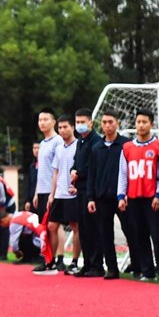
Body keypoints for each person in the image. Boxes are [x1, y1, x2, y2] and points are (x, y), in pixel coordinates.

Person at [118, 110, 159, 281]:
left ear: (151, 124)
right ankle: (147, 270)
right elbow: (122, 173)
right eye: (138, 122)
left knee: (157, 235)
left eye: (144, 122)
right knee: (140, 235)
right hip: (134, 197)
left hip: (152, 197)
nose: (141, 125)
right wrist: (121, 195)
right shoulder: (127, 148)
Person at [83, 109, 130, 279]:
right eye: (104, 122)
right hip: (102, 198)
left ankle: (138, 265)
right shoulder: (96, 148)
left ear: (117, 123)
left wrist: (126, 194)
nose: (107, 126)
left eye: (110, 122)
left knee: (130, 231)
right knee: (105, 235)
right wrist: (90, 198)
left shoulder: (126, 145)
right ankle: (112, 268)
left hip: (122, 197)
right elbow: (92, 175)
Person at [39, 115, 80, 274]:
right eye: (61, 128)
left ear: (72, 127)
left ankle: (75, 261)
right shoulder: (59, 148)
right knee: (51, 226)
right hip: (59, 194)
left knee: (76, 227)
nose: (62, 130)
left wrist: (78, 187)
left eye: (65, 127)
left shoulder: (79, 146)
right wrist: (52, 194)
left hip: (73, 194)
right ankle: (51, 260)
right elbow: (56, 172)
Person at [71, 107, 102, 276]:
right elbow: (77, 162)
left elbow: (92, 167)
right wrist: (73, 171)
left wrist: (79, 173)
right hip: (80, 190)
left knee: (93, 229)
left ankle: (97, 265)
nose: (80, 125)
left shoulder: (96, 141)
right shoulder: (80, 141)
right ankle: (87, 263)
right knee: (83, 229)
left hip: (92, 191)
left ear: (91, 122)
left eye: (83, 122)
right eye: (77, 122)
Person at [33, 108, 63, 229]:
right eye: (40, 120)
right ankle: (47, 249)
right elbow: (41, 170)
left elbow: (59, 168)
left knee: (54, 225)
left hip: (53, 191)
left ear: (53, 122)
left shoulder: (58, 141)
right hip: (41, 191)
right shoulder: (42, 144)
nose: (42, 122)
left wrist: (53, 192)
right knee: (44, 226)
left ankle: (59, 249)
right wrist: (36, 193)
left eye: (45, 119)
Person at [24, 141, 40, 211]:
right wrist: (27, 200)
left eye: (38, 148)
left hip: (42, 198)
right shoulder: (32, 166)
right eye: (34, 148)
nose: (36, 150)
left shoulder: (46, 166)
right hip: (32, 200)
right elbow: (29, 184)